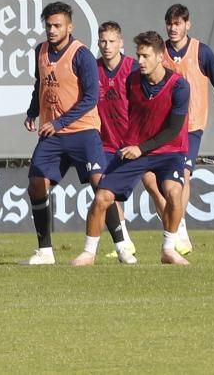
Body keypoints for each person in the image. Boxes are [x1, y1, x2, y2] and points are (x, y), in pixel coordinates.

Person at [22, 2, 133, 266]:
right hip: (53, 134)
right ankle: (45, 251)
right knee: (36, 184)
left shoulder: (81, 54)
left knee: (101, 185)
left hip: (83, 131)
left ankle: (122, 246)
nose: (52, 29)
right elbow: (41, 84)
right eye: (48, 25)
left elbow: (91, 98)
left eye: (57, 25)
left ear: (69, 27)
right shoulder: (40, 51)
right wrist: (32, 111)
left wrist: (60, 122)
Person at [71, 31, 192, 266]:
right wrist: (133, 146)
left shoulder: (180, 86)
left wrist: (141, 147)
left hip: (169, 150)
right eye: (138, 56)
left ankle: (168, 249)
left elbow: (173, 130)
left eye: (146, 56)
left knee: (173, 192)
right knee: (102, 198)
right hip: (134, 149)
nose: (140, 61)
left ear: (160, 57)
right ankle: (88, 253)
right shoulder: (133, 80)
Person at [141, 4, 214, 255]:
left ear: (187, 25)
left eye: (178, 23)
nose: (173, 28)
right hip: (163, 126)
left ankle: (178, 230)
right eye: (170, 24)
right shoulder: (159, 52)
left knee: (182, 175)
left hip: (191, 126)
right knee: (151, 181)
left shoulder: (201, 52)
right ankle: (177, 223)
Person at [95, 21, 136, 258]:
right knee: (106, 189)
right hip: (105, 143)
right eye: (103, 41)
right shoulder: (93, 67)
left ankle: (177, 234)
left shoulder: (131, 68)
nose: (107, 46)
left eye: (112, 42)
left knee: (154, 185)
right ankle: (125, 241)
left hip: (134, 143)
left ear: (121, 43)